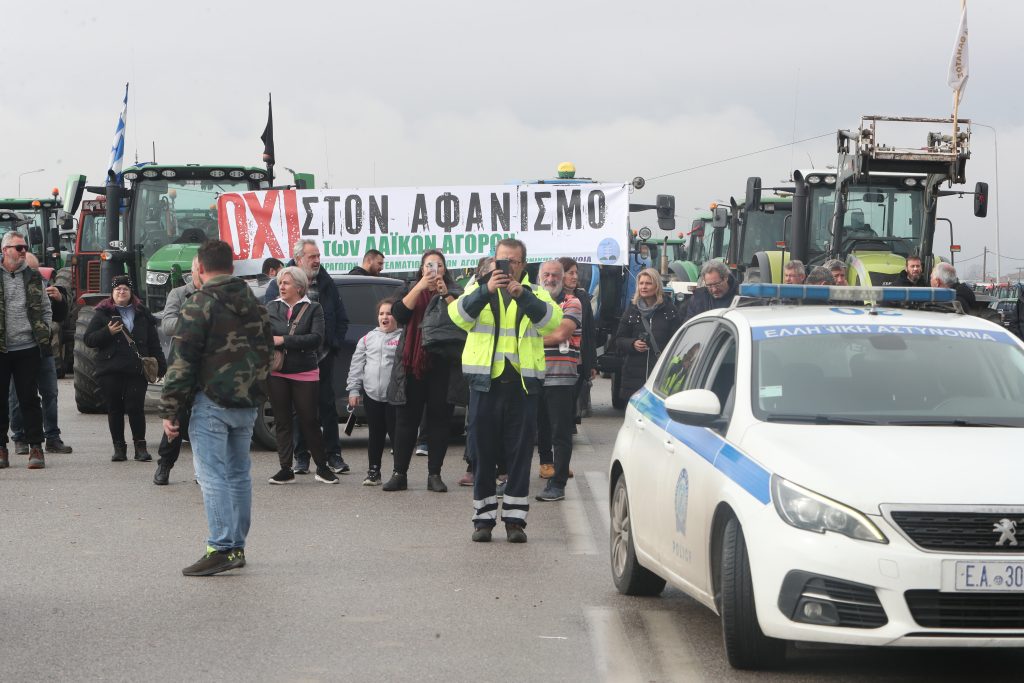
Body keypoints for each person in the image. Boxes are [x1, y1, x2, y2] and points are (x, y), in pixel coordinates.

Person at [162, 239, 273, 577]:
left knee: (211, 476)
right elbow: (270, 352)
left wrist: (170, 410)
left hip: (211, 402)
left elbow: (182, 361)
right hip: (247, 402)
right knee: (238, 474)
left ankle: (221, 547)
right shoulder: (256, 303)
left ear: (199, 267)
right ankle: (236, 545)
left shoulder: (199, 304)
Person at [449, 238, 562, 543]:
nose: (506, 266)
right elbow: (458, 317)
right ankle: (482, 521)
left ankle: (515, 521)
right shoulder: (478, 287)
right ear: (493, 261)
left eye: (513, 261)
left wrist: (522, 295)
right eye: (502, 260)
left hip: (523, 387)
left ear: (523, 265)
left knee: (520, 455)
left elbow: (552, 322)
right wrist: (486, 290)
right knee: (483, 453)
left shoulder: (535, 292)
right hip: (486, 385)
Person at [265, 239, 350, 475]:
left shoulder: (326, 282)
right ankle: (300, 459)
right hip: (287, 363)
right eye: (312, 256)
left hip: (321, 358)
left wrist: (332, 345)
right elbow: (271, 325)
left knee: (325, 408)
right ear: (299, 258)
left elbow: (341, 318)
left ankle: (332, 457)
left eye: (318, 256)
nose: (317, 260)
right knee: (293, 414)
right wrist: (284, 343)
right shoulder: (278, 285)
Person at [383, 249, 463, 493]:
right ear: (421, 269)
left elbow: (462, 319)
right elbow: (399, 315)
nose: (433, 270)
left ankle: (434, 474)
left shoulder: (454, 290)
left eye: (438, 265)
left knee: (439, 420)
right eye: (429, 266)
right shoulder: (409, 288)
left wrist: (444, 293)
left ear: (445, 269)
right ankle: (399, 474)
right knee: (406, 420)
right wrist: (419, 287)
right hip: (412, 364)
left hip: (443, 364)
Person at [84, 274, 167, 463]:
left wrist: (161, 365)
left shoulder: (142, 314)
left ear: (131, 293)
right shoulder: (102, 313)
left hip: (136, 369)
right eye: (117, 289)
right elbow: (89, 339)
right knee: (115, 409)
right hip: (110, 370)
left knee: (135, 408)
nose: (121, 292)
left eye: (125, 289)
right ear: (112, 293)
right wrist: (107, 332)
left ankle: (141, 447)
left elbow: (153, 343)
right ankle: (119, 448)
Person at [9, 252, 73, 456]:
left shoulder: (45, 284)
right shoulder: (13, 286)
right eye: (31, 269)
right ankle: (20, 437)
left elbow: (60, 317)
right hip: (18, 348)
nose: (35, 273)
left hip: (42, 349)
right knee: (18, 396)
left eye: (37, 269)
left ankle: (52, 437)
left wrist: (60, 299)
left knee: (50, 393)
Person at [0, 231, 52, 469]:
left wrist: (44, 332)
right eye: (18, 247)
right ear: (5, 250)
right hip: (1, 349)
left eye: (24, 247)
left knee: (29, 399)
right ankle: (1, 449)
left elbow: (45, 308)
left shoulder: (34, 278)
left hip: (28, 348)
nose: (23, 252)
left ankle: (35, 448)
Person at [535, 260, 581, 503]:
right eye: (546, 275)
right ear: (539, 277)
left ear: (562, 278)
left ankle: (558, 482)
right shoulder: (531, 301)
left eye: (555, 275)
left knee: (560, 433)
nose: (550, 279)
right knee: (529, 430)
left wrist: (529, 339)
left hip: (561, 377)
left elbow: (562, 334)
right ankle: (514, 478)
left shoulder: (572, 302)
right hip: (532, 375)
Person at [153, 257, 199, 485]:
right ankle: (164, 465)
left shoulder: (217, 295)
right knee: (175, 416)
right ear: (193, 271)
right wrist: (195, 321)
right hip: (182, 364)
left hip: (208, 367)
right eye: (200, 269)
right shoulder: (179, 294)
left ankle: (204, 471)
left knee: (205, 421)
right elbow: (167, 324)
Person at [346, 298, 400, 486]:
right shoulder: (368, 338)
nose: (385, 317)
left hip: (395, 397)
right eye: (381, 314)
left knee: (397, 436)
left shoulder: (402, 338)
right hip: (372, 395)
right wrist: (354, 389)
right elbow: (357, 365)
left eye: (389, 313)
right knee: (375, 435)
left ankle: (399, 472)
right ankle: (373, 471)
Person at [615, 268, 682, 406]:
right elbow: (619, 339)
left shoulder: (670, 311)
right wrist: (633, 344)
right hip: (634, 374)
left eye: (648, 283)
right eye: (641, 283)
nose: (644, 287)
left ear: (657, 285)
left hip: (660, 372)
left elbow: (677, 341)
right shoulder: (632, 310)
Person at [558, 257, 598, 424]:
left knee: (573, 398)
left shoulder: (583, 297)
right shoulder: (550, 296)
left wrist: (592, 363)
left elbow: (589, 332)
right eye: (570, 272)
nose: (574, 276)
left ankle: (568, 425)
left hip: (578, 360)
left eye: (576, 273)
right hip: (558, 359)